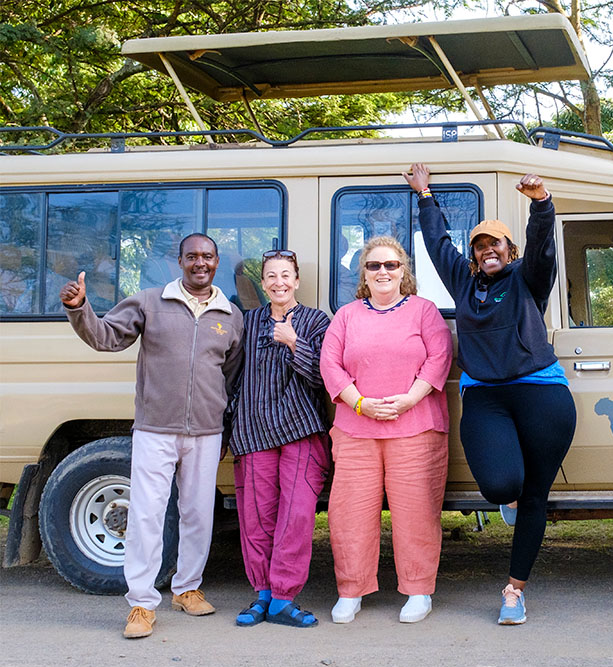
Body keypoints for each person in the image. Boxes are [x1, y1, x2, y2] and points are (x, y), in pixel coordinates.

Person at [404, 163, 576, 625]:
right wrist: (424, 196)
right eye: (479, 246)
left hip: (541, 391)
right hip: (485, 395)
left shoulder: (527, 279)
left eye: (494, 244)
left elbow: (543, 249)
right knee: (502, 485)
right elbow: (438, 245)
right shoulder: (464, 283)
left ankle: (515, 590)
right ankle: (510, 496)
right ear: (475, 256)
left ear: (509, 250)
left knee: (536, 494)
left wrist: (541, 203)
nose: (486, 251)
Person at [59, 233, 243, 639]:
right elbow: (107, 337)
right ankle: (141, 604)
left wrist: (224, 423)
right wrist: (79, 309)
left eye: (208, 257)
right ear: (179, 261)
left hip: (207, 432)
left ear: (216, 261)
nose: (200, 263)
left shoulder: (229, 314)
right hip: (156, 429)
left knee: (198, 513)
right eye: (192, 256)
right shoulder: (150, 301)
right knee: (146, 515)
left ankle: (187, 588)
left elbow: (230, 377)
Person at [319, 237, 452, 625]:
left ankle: (418, 590)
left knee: (416, 513)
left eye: (391, 265)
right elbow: (330, 365)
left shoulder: (424, 312)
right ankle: (351, 591)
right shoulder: (346, 316)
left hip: (415, 426)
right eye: (374, 265)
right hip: (356, 428)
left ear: (403, 271)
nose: (383, 272)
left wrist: (411, 398)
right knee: (350, 514)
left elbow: (439, 356)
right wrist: (360, 402)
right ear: (363, 272)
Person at [228, 250, 331, 628]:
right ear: (264, 283)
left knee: (297, 514)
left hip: (300, 430)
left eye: (285, 275)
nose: (278, 283)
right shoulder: (247, 322)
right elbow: (234, 376)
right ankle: (263, 595)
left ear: (297, 281)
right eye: (271, 277)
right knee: (257, 517)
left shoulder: (316, 320)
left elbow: (325, 376)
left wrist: (293, 342)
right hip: (253, 430)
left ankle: (285, 597)